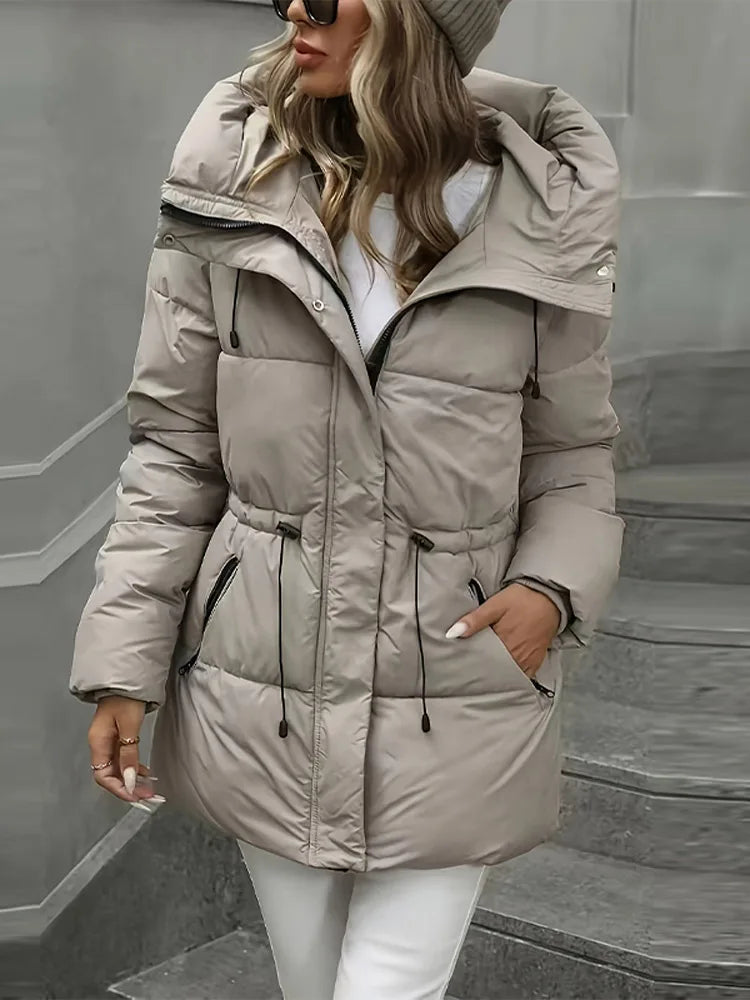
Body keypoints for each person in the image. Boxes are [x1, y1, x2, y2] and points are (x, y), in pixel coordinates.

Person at [69, 0, 625, 997]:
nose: (298, 9)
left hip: (455, 690)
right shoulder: (234, 187)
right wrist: (124, 662)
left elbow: (573, 450)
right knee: (312, 982)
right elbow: (177, 453)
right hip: (265, 691)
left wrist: (551, 588)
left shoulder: (536, 212)